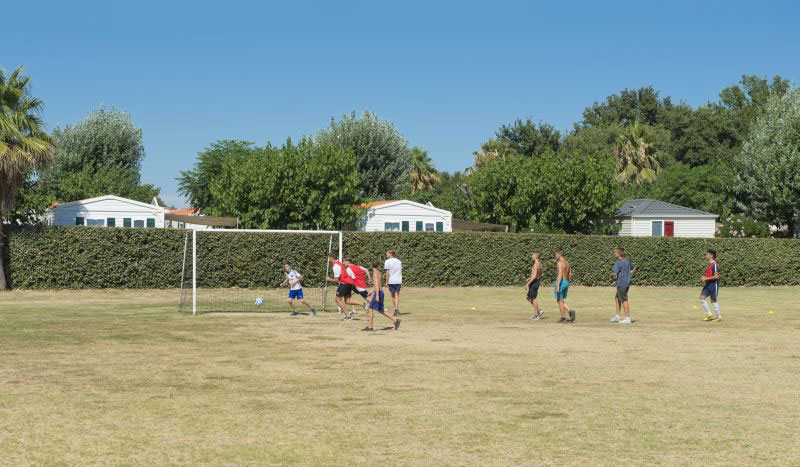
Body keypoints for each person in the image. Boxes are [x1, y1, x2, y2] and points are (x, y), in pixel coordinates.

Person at [362, 261, 401, 331]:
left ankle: (370, 327)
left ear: (371, 266)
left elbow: (377, 285)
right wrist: (372, 291)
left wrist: (376, 295)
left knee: (370, 309)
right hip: (381, 292)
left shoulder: (374, 273)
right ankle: (395, 320)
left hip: (378, 293)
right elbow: (379, 285)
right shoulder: (379, 272)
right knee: (381, 310)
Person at [610, 247, 636, 324]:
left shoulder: (618, 262)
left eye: (615, 252)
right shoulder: (627, 261)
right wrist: (631, 272)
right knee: (617, 298)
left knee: (624, 300)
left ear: (618, 254)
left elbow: (614, 275)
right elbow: (634, 266)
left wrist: (611, 275)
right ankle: (617, 317)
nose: (614, 254)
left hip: (621, 283)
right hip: (627, 283)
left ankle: (627, 318)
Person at [325, 253, 352, 320]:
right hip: (348, 283)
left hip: (344, 283)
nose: (327, 260)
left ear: (331, 258)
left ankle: (348, 315)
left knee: (337, 300)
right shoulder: (339, 263)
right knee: (346, 301)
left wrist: (329, 279)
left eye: (328, 258)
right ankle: (363, 305)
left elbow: (337, 280)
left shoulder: (335, 266)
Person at [700, 249, 722, 322]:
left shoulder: (714, 264)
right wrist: (704, 278)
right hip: (708, 284)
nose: (705, 256)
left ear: (711, 255)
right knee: (702, 298)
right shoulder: (709, 264)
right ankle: (709, 314)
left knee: (713, 301)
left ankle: (718, 317)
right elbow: (710, 275)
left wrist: (706, 278)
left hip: (713, 284)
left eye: (707, 254)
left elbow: (716, 276)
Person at [554, 249, 575, 323]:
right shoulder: (567, 263)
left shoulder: (559, 263)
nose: (555, 256)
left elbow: (559, 274)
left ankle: (563, 318)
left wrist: (558, 285)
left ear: (559, 255)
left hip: (561, 282)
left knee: (559, 300)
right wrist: (567, 283)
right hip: (566, 282)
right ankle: (570, 311)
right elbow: (570, 274)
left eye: (556, 254)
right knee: (560, 300)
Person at [384, 250, 403, 316]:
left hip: (391, 280)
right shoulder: (399, 261)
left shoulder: (387, 261)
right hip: (398, 280)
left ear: (390, 254)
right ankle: (396, 309)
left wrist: (386, 282)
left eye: (387, 253)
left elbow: (387, 273)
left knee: (392, 295)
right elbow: (400, 271)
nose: (386, 254)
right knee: (397, 295)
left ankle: (396, 309)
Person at [525, 252, 543, 320]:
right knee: (529, 298)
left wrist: (528, 283)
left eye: (532, 255)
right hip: (535, 281)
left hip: (534, 282)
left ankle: (536, 315)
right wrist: (531, 277)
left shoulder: (536, 264)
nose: (531, 256)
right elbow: (539, 274)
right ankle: (539, 311)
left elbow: (535, 275)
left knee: (533, 298)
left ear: (536, 256)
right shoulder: (540, 264)